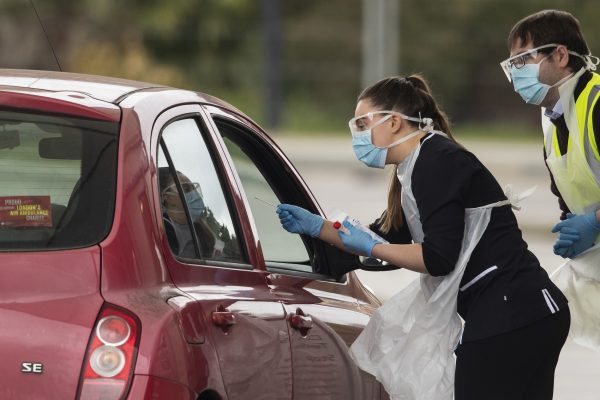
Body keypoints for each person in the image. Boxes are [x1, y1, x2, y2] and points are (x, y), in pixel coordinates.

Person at [276, 75, 570, 400]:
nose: (357, 135)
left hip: (513, 313)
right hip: (528, 312)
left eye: (362, 123)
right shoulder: (418, 165)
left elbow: (437, 258)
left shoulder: (436, 161)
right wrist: (318, 227)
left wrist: (374, 246)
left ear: (394, 122)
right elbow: (383, 235)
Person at [501, 9, 600, 258]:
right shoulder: (552, 118)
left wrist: (594, 222)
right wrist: (571, 227)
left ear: (561, 55)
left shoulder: (597, 102)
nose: (515, 73)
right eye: (512, 64)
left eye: (522, 59)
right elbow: (569, 195)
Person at [158, 167, 216, 258]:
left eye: (193, 188)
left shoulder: (201, 228)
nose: (194, 193)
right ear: (167, 197)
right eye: (186, 189)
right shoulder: (163, 230)